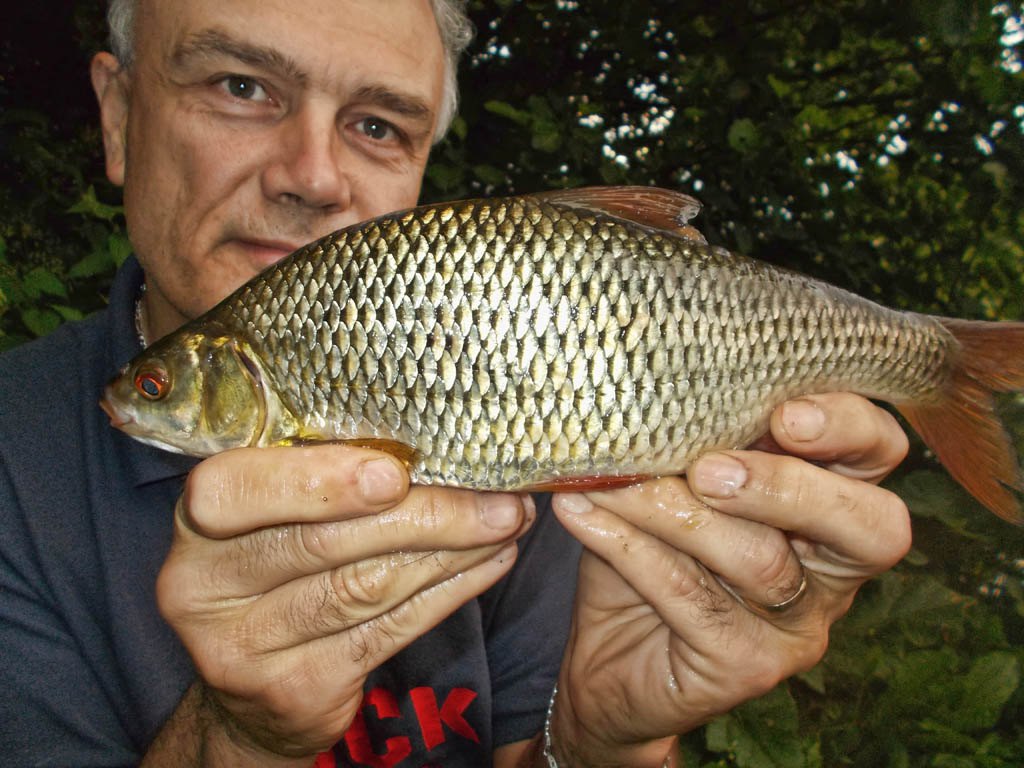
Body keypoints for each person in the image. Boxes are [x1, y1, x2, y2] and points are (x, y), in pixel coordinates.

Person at [0, 0, 913, 765]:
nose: (314, 177)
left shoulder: (539, 412)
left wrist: (598, 744)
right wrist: (243, 741)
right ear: (118, 118)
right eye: (241, 87)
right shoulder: (17, 465)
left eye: (377, 125)